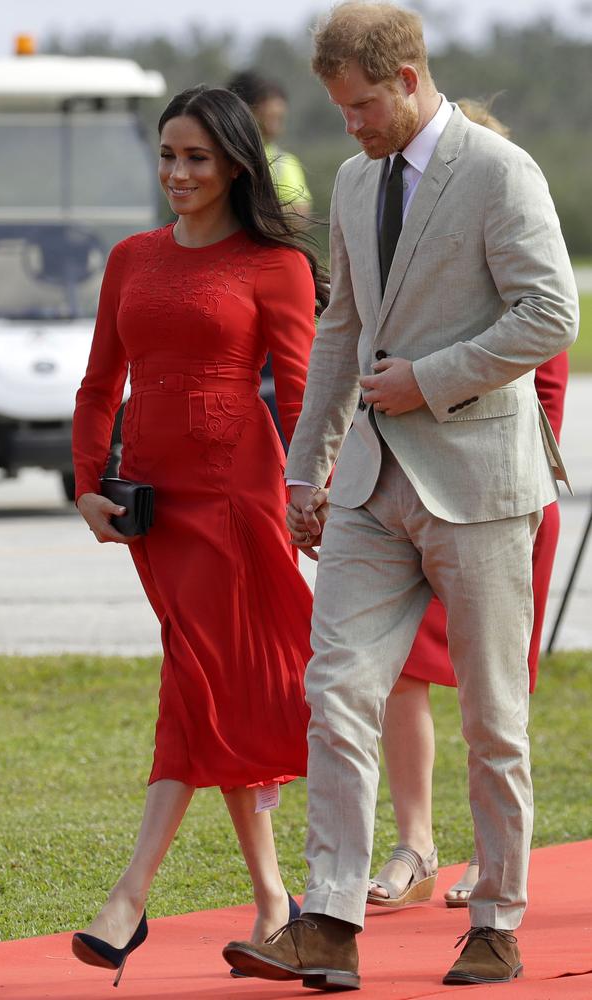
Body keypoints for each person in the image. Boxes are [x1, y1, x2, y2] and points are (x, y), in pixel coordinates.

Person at [223, 2, 578, 991]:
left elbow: (550, 312)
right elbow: (338, 335)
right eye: (337, 108)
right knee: (333, 690)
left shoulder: (499, 172)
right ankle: (328, 922)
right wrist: (303, 468)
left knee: (490, 719)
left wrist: (429, 377)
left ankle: (496, 921)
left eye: (363, 105)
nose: (351, 125)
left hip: (479, 485)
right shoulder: (348, 180)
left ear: (410, 75)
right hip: (370, 490)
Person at [70, 84, 327, 987]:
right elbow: (99, 385)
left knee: (198, 677)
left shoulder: (276, 266)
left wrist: (312, 493)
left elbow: (298, 396)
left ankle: (129, 900)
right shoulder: (130, 259)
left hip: (240, 499)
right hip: (156, 507)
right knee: (203, 677)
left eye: (197, 159)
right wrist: (86, 484)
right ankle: (271, 903)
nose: (177, 173)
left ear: (235, 166)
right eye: (168, 155)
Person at [367, 100, 570, 910]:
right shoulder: (411, 278)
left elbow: (545, 394)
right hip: (406, 494)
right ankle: (414, 843)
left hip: (498, 495)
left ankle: (496, 867)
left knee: (495, 699)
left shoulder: (523, 291)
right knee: (399, 673)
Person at [227, 69, 313, 215]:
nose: (278, 128)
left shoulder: (284, 163)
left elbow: (299, 213)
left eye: (279, 119)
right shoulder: (217, 154)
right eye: (271, 118)